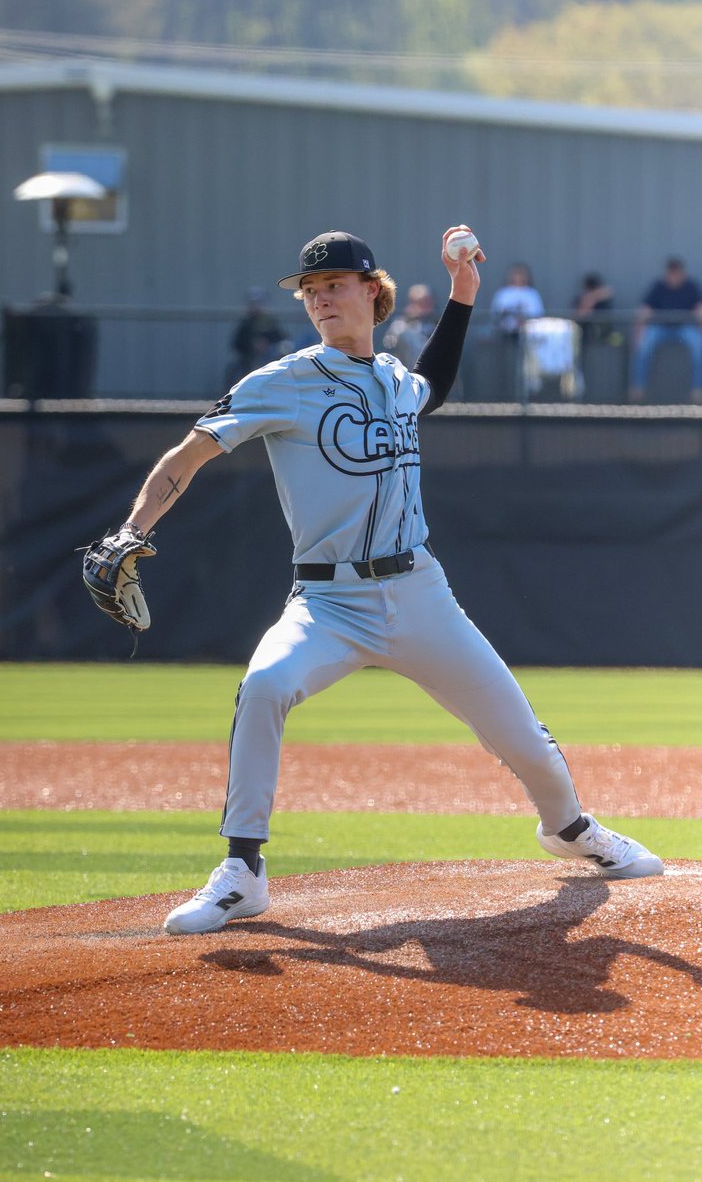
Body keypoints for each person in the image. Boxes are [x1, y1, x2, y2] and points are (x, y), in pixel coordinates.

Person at [100, 225, 663, 937]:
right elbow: (188, 455)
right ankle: (243, 870)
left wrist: (463, 293)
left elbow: (435, 383)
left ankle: (572, 828)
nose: (320, 299)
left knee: (524, 738)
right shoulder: (283, 381)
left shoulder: (396, 378)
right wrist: (132, 530)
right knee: (266, 685)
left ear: (374, 292)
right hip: (328, 602)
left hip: (421, 594)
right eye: (309, 290)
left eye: (334, 284)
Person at [629, 257, 702, 403]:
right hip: (661, 327)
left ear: (682, 273)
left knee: (697, 346)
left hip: (684, 327)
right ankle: (638, 389)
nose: (673, 276)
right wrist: (637, 335)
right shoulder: (659, 286)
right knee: (644, 345)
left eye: (677, 272)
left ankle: (697, 390)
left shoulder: (691, 286)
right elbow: (644, 311)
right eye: (671, 273)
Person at [227, 286, 287, 384]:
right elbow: (236, 343)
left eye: (259, 303)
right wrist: (252, 345)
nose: (256, 306)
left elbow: (282, 339)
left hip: (269, 359)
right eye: (253, 303)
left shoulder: (271, 321)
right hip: (248, 360)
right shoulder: (245, 322)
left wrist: (268, 345)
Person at [382, 282, 437, 369]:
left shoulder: (436, 325)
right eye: (422, 302)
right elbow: (390, 347)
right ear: (412, 303)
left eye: (428, 302)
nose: (426, 306)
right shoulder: (400, 327)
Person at [490, 263, 544, 338]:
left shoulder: (532, 293)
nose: (518, 277)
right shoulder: (503, 293)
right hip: (505, 333)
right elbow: (496, 312)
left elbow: (538, 313)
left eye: (521, 274)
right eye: (516, 274)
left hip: (528, 333)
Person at [572, 272, 614, 346]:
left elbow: (610, 291)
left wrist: (592, 298)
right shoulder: (581, 299)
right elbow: (579, 315)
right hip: (583, 336)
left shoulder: (602, 301)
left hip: (602, 336)